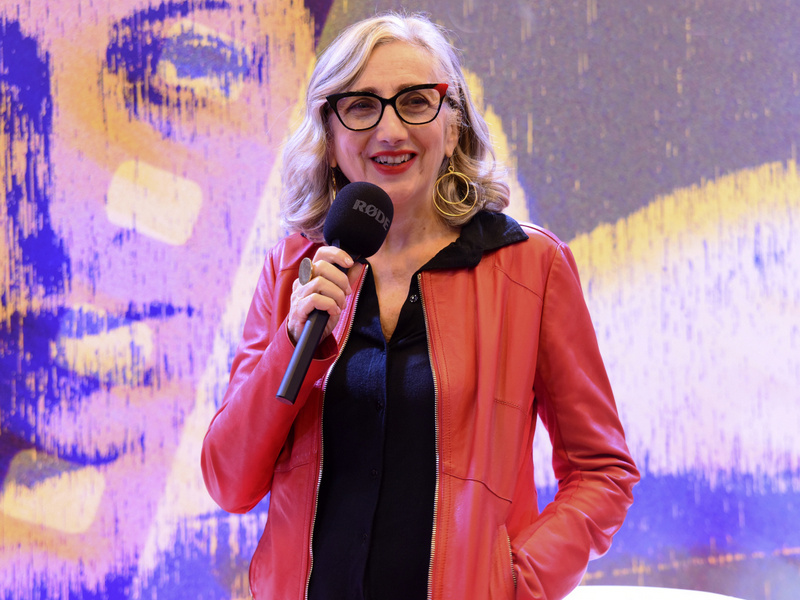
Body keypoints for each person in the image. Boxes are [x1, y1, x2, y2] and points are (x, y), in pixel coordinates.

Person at [201, 11, 639, 600]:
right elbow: (229, 482)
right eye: (362, 105)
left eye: (415, 101)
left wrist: (516, 583)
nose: (390, 130)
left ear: (453, 127)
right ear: (329, 138)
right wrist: (292, 342)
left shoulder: (531, 267)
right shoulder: (293, 269)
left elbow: (601, 471)